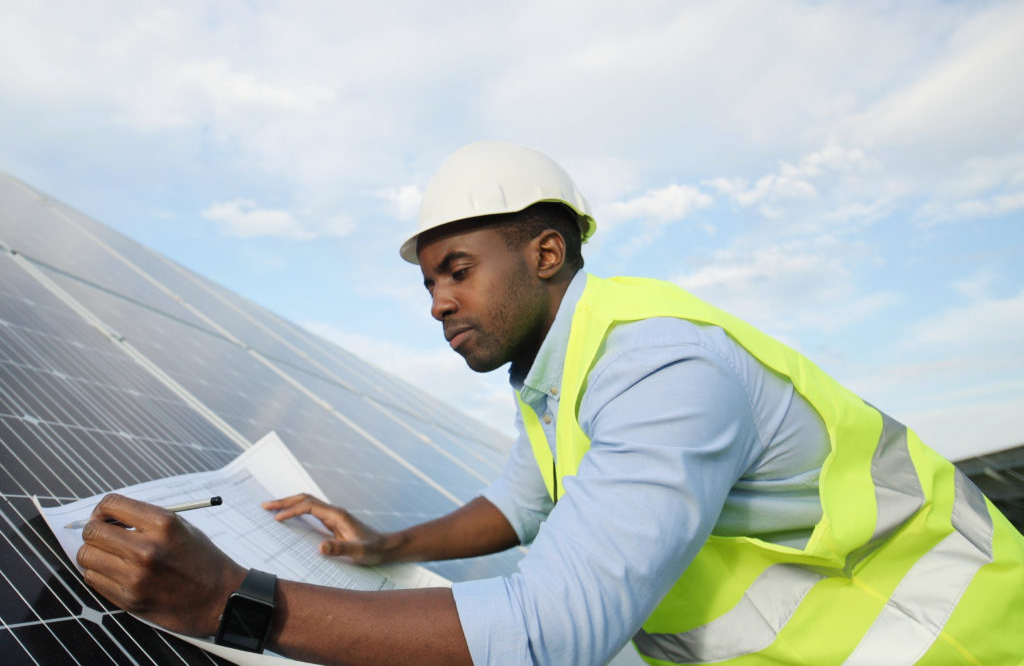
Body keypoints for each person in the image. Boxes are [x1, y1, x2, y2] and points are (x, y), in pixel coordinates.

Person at [78, 141, 1024, 665]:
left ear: (545, 252)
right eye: (428, 284)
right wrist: (384, 544)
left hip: (948, 644)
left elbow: (550, 632)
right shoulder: (558, 375)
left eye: (457, 270)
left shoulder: (657, 368)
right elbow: (520, 503)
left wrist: (231, 601)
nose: (439, 301)